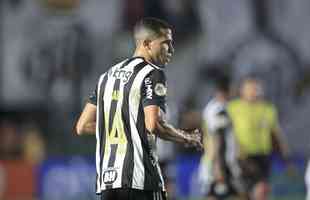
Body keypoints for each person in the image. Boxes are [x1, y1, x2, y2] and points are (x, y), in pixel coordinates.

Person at [75, 17, 203, 200]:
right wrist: (186, 137)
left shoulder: (106, 76)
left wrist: (126, 125)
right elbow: (153, 124)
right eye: (166, 43)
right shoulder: (152, 74)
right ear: (147, 43)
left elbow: (82, 126)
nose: (171, 50)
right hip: (141, 180)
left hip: (108, 181)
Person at [227, 76, 291, 200]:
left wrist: (285, 157)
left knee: (260, 191)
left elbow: (276, 134)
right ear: (242, 90)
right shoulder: (233, 108)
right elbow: (225, 133)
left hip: (263, 155)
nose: (253, 92)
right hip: (242, 156)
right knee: (248, 192)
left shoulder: (268, 109)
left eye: (256, 89)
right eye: (250, 89)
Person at [198, 75, 245, 200]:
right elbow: (217, 139)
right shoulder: (218, 110)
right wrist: (218, 167)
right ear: (228, 90)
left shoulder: (219, 107)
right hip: (218, 163)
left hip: (224, 162)